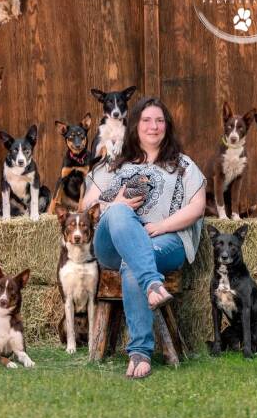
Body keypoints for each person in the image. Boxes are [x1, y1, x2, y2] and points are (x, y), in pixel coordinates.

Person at [81, 96, 206, 379]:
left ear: (167, 126)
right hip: (112, 243)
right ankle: (152, 283)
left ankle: (139, 354)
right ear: (135, 125)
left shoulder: (183, 165)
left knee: (133, 263)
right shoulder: (114, 164)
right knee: (118, 213)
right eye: (147, 120)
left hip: (165, 239)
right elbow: (86, 206)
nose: (153, 126)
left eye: (160, 121)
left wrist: (161, 226)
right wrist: (115, 203)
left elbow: (197, 207)